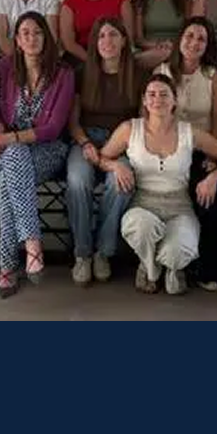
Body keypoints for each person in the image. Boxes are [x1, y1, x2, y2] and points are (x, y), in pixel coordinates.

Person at [99, 74, 217, 295]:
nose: (158, 99)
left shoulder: (188, 132)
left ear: (175, 101)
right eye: (152, 95)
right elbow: (101, 157)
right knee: (140, 226)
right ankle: (150, 268)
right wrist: (116, 167)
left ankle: (172, 267)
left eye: (164, 94)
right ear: (145, 101)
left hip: (179, 206)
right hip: (143, 203)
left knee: (180, 250)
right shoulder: (130, 129)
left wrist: (213, 178)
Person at [0, 12, 73, 297]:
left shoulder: (63, 73)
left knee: (5, 184)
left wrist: (8, 138)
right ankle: (32, 245)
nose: (31, 38)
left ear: (46, 37)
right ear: (17, 41)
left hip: (49, 149)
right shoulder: (4, 68)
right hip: (7, 146)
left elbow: (54, 127)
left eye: (37, 32)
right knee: (14, 158)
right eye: (25, 33)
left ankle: (8, 267)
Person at [155, 17, 217, 294]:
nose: (194, 43)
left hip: (206, 147)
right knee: (197, 191)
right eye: (189, 36)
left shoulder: (214, 76)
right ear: (180, 39)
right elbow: (152, 116)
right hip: (171, 151)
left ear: (208, 46)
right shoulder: (163, 71)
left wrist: (215, 157)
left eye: (201, 39)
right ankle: (204, 267)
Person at [65, 16, 140, 286]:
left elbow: (141, 124)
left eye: (113, 35)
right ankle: (83, 253)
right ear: (95, 43)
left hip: (123, 143)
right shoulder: (82, 73)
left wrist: (111, 160)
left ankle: (103, 252)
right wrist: (85, 143)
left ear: (123, 40)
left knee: (121, 181)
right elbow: (72, 122)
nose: (107, 41)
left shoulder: (137, 74)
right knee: (77, 181)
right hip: (86, 141)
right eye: (101, 36)